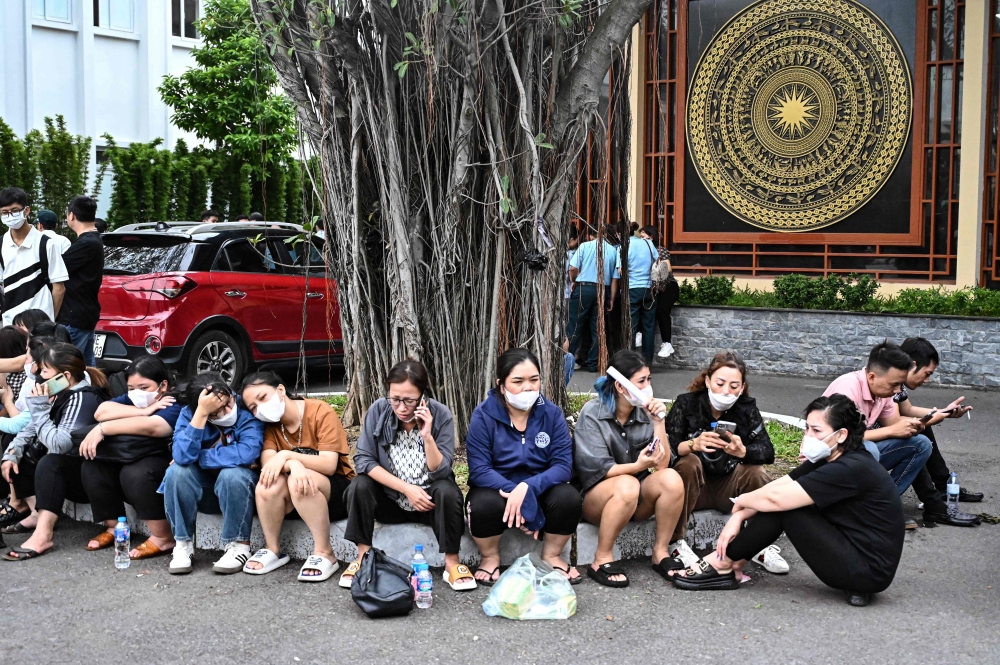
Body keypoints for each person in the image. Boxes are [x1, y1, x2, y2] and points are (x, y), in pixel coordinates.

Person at [670, 395, 905, 608]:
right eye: (807, 429)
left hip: (867, 571)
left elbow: (776, 499)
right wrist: (741, 513)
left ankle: (722, 563)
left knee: (787, 509)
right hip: (850, 550)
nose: (809, 437)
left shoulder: (850, 468)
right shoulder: (832, 457)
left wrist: (741, 503)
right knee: (785, 503)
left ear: (841, 434)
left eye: (817, 431)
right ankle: (730, 562)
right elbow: (780, 485)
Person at [341, 360, 473, 590]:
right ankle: (363, 556)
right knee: (359, 485)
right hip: (391, 500)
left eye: (409, 400)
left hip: (429, 504)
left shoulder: (440, 414)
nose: (401, 408)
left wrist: (427, 436)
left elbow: (441, 470)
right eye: (395, 399)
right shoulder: (379, 410)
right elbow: (363, 459)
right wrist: (406, 489)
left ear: (423, 395)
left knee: (447, 490)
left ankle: (452, 563)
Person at [465, 348, 582, 585]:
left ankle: (551, 555)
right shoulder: (484, 415)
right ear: (501, 384)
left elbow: (562, 465)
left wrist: (527, 489)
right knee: (482, 504)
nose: (528, 388)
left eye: (534, 380)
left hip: (539, 486)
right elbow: (479, 470)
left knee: (568, 497)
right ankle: (489, 557)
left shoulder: (552, 414)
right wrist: (520, 498)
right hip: (497, 488)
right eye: (518, 381)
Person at [664, 352, 787, 576]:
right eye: (720, 383)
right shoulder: (687, 403)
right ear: (708, 380)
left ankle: (759, 544)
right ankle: (676, 542)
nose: (726, 391)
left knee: (756, 470)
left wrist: (743, 451)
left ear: (742, 387)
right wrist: (693, 444)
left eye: (734, 386)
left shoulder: (746, 409)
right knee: (688, 462)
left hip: (728, 488)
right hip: (692, 488)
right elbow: (668, 449)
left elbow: (767, 451)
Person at [573, 350, 685, 587]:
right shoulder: (592, 413)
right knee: (628, 483)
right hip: (597, 499)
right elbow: (597, 470)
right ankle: (601, 558)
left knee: (672, 479)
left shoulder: (645, 414)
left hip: (636, 498)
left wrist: (658, 422)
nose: (648, 387)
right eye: (641, 381)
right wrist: (637, 466)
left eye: (649, 380)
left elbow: (663, 464)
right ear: (622, 387)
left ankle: (660, 552)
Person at [240, 371, 354, 582]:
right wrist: (293, 463)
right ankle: (273, 549)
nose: (260, 408)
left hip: (336, 490)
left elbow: (329, 464)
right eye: (253, 407)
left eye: (262, 398)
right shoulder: (270, 428)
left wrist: (287, 455)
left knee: (298, 480)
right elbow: (269, 464)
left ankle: (325, 552)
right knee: (267, 483)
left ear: (280, 390)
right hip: (295, 495)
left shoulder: (320, 411)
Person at [0, 343, 109, 560]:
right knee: (16, 447)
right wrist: (12, 453)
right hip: (71, 472)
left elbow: (61, 444)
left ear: (65, 376)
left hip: (91, 478)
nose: (40, 376)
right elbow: (28, 430)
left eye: (45, 371)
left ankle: (43, 535)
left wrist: (39, 407)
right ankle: (35, 513)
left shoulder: (82, 398)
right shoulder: (60, 394)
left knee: (51, 462)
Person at [78, 356, 183, 559]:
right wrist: (143, 410)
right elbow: (101, 411)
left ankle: (163, 537)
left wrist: (104, 429)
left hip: (164, 459)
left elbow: (155, 428)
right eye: (131, 388)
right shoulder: (139, 400)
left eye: (144, 387)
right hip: (134, 453)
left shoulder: (173, 401)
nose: (137, 393)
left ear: (163, 385)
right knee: (93, 466)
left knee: (135, 473)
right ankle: (113, 527)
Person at [161, 373, 263, 575]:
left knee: (232, 474)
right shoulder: (190, 413)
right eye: (217, 412)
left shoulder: (244, 407)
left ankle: (238, 546)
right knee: (176, 472)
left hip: (241, 489)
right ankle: (182, 544)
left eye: (228, 403)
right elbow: (181, 456)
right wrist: (201, 414)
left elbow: (247, 453)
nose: (227, 411)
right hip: (206, 489)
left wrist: (199, 457)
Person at [823, 341, 932, 499]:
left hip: (852, 457)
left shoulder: (883, 392)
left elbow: (893, 424)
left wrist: (911, 427)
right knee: (869, 449)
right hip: (826, 458)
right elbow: (839, 438)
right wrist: (892, 430)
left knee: (921, 444)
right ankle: (857, 507)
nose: (897, 391)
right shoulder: (847, 388)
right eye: (894, 385)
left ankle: (883, 502)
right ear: (872, 377)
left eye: (900, 385)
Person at [896, 337, 979, 527]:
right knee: (914, 437)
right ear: (912, 364)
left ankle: (943, 487)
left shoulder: (896, 381)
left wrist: (943, 412)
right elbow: (894, 421)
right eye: (927, 374)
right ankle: (934, 504)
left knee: (922, 427)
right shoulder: (890, 380)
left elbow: (906, 410)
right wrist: (933, 417)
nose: (927, 380)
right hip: (868, 441)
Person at [0, 187, 68, 326]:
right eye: (4, 212)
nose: (10, 216)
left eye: (14, 211)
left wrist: (49, 322)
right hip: (10, 327)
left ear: (26, 210)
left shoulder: (46, 244)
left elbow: (59, 288)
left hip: (41, 327)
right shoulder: (1, 244)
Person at [56, 195, 104, 365]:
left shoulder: (87, 243)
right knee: (87, 368)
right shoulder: (93, 240)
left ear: (71, 215)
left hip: (75, 316)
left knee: (67, 367)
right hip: (83, 313)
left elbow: (56, 268)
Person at [567, 226, 617, 372]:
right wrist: (611, 298)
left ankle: (568, 360)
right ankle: (593, 363)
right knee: (597, 328)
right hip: (602, 290)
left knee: (575, 325)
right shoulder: (613, 250)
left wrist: (573, 280)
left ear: (590, 236)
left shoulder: (584, 246)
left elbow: (572, 268)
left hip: (584, 288)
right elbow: (615, 278)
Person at [610, 226, 658, 364]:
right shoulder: (648, 243)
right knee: (648, 327)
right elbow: (657, 261)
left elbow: (620, 271)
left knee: (631, 326)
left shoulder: (622, 247)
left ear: (620, 235)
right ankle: (647, 362)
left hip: (632, 289)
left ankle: (631, 361)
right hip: (649, 289)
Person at [639, 226, 678, 359]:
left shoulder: (660, 250)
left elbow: (669, 269)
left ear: (652, 237)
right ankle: (639, 333)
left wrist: (657, 268)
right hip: (653, 288)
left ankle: (667, 343)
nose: (642, 239)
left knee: (662, 310)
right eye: (641, 237)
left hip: (668, 286)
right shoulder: (641, 251)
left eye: (644, 237)